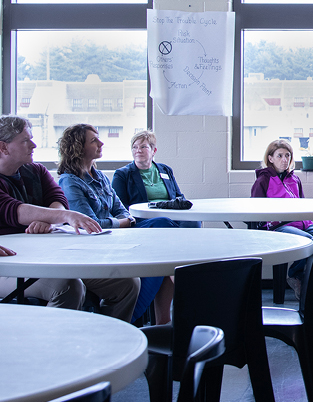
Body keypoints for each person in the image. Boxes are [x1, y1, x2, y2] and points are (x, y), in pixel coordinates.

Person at [0, 115, 139, 321]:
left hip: (45, 258)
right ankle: (53, 349)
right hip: (9, 265)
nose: (34, 144)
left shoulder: (36, 171)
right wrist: (64, 216)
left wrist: (49, 218)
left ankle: (107, 344)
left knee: (127, 283)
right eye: (25, 140)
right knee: (68, 287)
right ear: (3, 147)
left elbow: (57, 199)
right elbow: (14, 211)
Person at [57, 124, 173, 324]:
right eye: (94, 140)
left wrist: (124, 221)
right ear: (78, 147)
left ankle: (152, 318)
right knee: (163, 235)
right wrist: (121, 223)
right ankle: (134, 317)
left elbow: (120, 208)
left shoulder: (99, 176)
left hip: (118, 232)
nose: (101, 143)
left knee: (164, 227)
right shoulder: (70, 182)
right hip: (98, 241)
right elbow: (89, 225)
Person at [250, 138, 313, 298]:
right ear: (270, 158)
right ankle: (297, 274)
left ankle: (303, 276)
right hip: (278, 227)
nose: (285, 160)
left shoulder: (295, 179)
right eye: (279, 156)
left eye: (287, 156)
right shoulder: (263, 180)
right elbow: (256, 211)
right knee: (308, 240)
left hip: (303, 223)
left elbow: (302, 205)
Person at [113, 130, 200, 228]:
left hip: (172, 215)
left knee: (193, 221)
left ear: (153, 151)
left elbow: (178, 197)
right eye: (135, 147)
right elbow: (120, 207)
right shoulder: (122, 174)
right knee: (163, 222)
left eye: (143, 147)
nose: (138, 150)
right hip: (143, 219)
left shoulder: (165, 170)